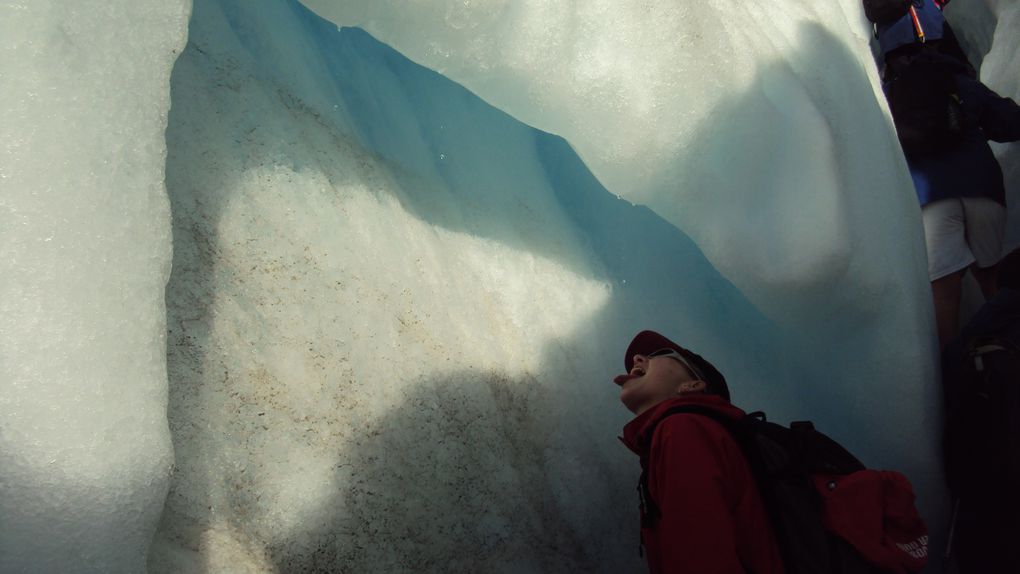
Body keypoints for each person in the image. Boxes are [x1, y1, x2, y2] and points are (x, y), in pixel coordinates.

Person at [614, 330, 784, 574]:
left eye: (659, 355)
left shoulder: (683, 428)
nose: (637, 359)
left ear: (692, 385)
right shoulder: (684, 434)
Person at [885, 54, 1020, 349]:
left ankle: (955, 374)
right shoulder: (961, 85)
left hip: (929, 199)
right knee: (992, 278)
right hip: (982, 189)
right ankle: (1007, 359)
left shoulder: (893, 95)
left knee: (944, 292)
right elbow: (1010, 121)